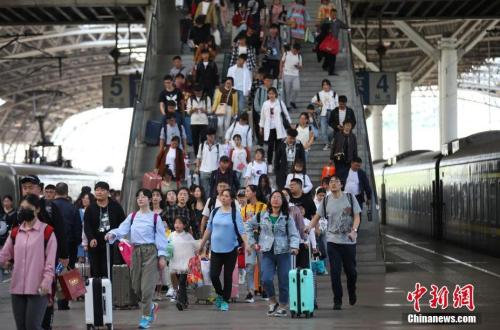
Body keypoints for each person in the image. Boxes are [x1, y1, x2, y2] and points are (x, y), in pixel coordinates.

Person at [105, 189, 168, 329]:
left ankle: (146, 317)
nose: (140, 199)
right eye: (138, 196)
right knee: (136, 286)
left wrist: (162, 256)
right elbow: (121, 230)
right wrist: (112, 234)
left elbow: (161, 238)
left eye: (143, 196)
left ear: (149, 199)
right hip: (136, 252)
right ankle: (151, 306)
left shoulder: (155, 218)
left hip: (151, 252)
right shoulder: (132, 216)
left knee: (146, 289)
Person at [0, 194, 57, 330]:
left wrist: (46, 282)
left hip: (38, 288)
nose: (23, 211)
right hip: (17, 287)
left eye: (28, 208)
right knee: (21, 327)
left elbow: (50, 262)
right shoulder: (15, 233)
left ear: (37, 209)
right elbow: (4, 254)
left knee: (33, 326)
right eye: (22, 208)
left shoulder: (47, 232)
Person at [20, 175, 68, 330]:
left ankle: (45, 325)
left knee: (46, 295)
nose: (27, 190)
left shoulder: (49, 207)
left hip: (47, 260)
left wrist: (64, 255)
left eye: (31, 187)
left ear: (39, 189)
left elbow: (61, 232)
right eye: (25, 187)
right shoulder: (20, 209)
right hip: (25, 263)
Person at [306, 175, 361, 310]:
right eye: (331, 182)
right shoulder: (326, 200)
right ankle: (337, 300)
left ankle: (352, 290)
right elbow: (316, 217)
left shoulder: (349, 197)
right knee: (335, 272)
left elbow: (357, 216)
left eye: (336, 181)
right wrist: (309, 227)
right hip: (333, 241)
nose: (333, 184)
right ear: (328, 185)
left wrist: (354, 230)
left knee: (351, 272)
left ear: (341, 184)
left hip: (348, 241)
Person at [245, 191, 300, 317]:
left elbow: (294, 234)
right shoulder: (262, 215)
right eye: (273, 197)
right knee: (266, 279)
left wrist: (294, 247)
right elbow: (248, 225)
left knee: (284, 280)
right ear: (270, 200)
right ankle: (272, 301)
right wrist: (253, 243)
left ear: (282, 201)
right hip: (267, 251)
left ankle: (283, 306)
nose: (275, 199)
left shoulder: (287, 217)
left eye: (278, 197)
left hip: (284, 252)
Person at [198, 189, 248, 312]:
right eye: (222, 195)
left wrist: (247, 245)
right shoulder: (214, 212)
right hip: (215, 249)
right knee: (213, 275)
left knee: (227, 276)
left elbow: (242, 231)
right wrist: (201, 245)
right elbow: (208, 229)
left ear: (231, 199)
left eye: (227, 196)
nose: (224, 198)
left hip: (231, 249)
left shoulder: (235, 213)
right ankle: (220, 294)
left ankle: (225, 301)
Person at [84, 181, 126, 278]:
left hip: (112, 245)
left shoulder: (116, 206)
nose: (99, 192)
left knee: (109, 270)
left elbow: (123, 224)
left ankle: (109, 290)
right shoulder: (90, 208)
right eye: (97, 190)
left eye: (102, 190)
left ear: (108, 192)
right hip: (95, 244)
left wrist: (117, 236)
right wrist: (91, 238)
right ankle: (97, 290)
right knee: (95, 271)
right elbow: (87, 226)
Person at [240, 185, 267, 303]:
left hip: (262, 238)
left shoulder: (264, 206)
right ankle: (250, 291)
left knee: (263, 266)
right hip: (249, 239)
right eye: (245, 191)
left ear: (254, 193)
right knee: (249, 265)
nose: (246, 193)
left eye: (248, 191)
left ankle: (264, 289)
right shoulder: (244, 208)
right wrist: (245, 242)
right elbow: (242, 226)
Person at [168, 216, 198, 311]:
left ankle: (180, 302)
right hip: (175, 263)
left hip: (185, 264)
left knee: (182, 282)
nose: (177, 225)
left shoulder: (188, 236)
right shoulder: (171, 235)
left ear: (184, 225)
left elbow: (194, 247)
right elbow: (168, 246)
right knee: (180, 283)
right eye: (176, 223)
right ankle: (185, 301)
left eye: (180, 223)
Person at [259, 87, 292, 173]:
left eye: (273, 94)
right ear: (268, 95)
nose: (271, 95)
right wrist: (261, 127)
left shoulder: (280, 102)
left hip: (278, 128)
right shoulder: (265, 104)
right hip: (269, 128)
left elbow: (286, 113)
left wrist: (290, 123)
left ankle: (276, 164)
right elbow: (262, 116)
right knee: (270, 147)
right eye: (269, 94)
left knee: (278, 148)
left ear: (275, 94)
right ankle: (269, 164)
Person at [52, 183, 82, 270]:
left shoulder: (49, 206)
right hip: (69, 245)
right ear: (67, 192)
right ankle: (66, 283)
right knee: (68, 271)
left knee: (53, 269)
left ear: (55, 192)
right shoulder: (73, 208)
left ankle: (55, 280)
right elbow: (78, 228)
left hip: (52, 244)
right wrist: (77, 242)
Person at [312, 79, 338, 149]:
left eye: (327, 84)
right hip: (323, 114)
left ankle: (329, 142)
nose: (325, 86)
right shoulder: (319, 93)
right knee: (323, 130)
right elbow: (312, 100)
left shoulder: (334, 94)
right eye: (324, 85)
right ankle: (327, 143)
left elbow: (337, 104)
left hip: (332, 113)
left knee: (332, 130)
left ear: (330, 86)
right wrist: (318, 103)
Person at [195, 128, 223, 195]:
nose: (210, 137)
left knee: (215, 190)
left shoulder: (219, 146)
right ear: (206, 136)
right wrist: (197, 167)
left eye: (212, 135)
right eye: (209, 135)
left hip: (215, 170)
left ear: (214, 136)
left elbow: (221, 159)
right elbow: (198, 157)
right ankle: (206, 204)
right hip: (203, 171)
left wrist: (220, 170)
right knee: (204, 190)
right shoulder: (201, 146)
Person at [280, 43, 302, 109]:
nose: (296, 52)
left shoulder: (299, 56)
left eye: (297, 51)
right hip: (287, 74)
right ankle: (287, 105)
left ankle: (293, 101)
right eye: (295, 51)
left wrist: (297, 66)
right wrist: (280, 72)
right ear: (293, 49)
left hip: (295, 75)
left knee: (296, 88)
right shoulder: (286, 54)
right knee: (287, 90)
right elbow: (281, 62)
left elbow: (301, 67)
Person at [253, 74, 273, 145]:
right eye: (267, 80)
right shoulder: (260, 89)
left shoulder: (274, 90)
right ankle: (260, 141)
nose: (268, 82)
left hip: (271, 113)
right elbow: (256, 101)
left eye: (270, 81)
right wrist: (259, 110)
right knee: (260, 126)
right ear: (264, 81)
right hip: (261, 112)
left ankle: (268, 140)